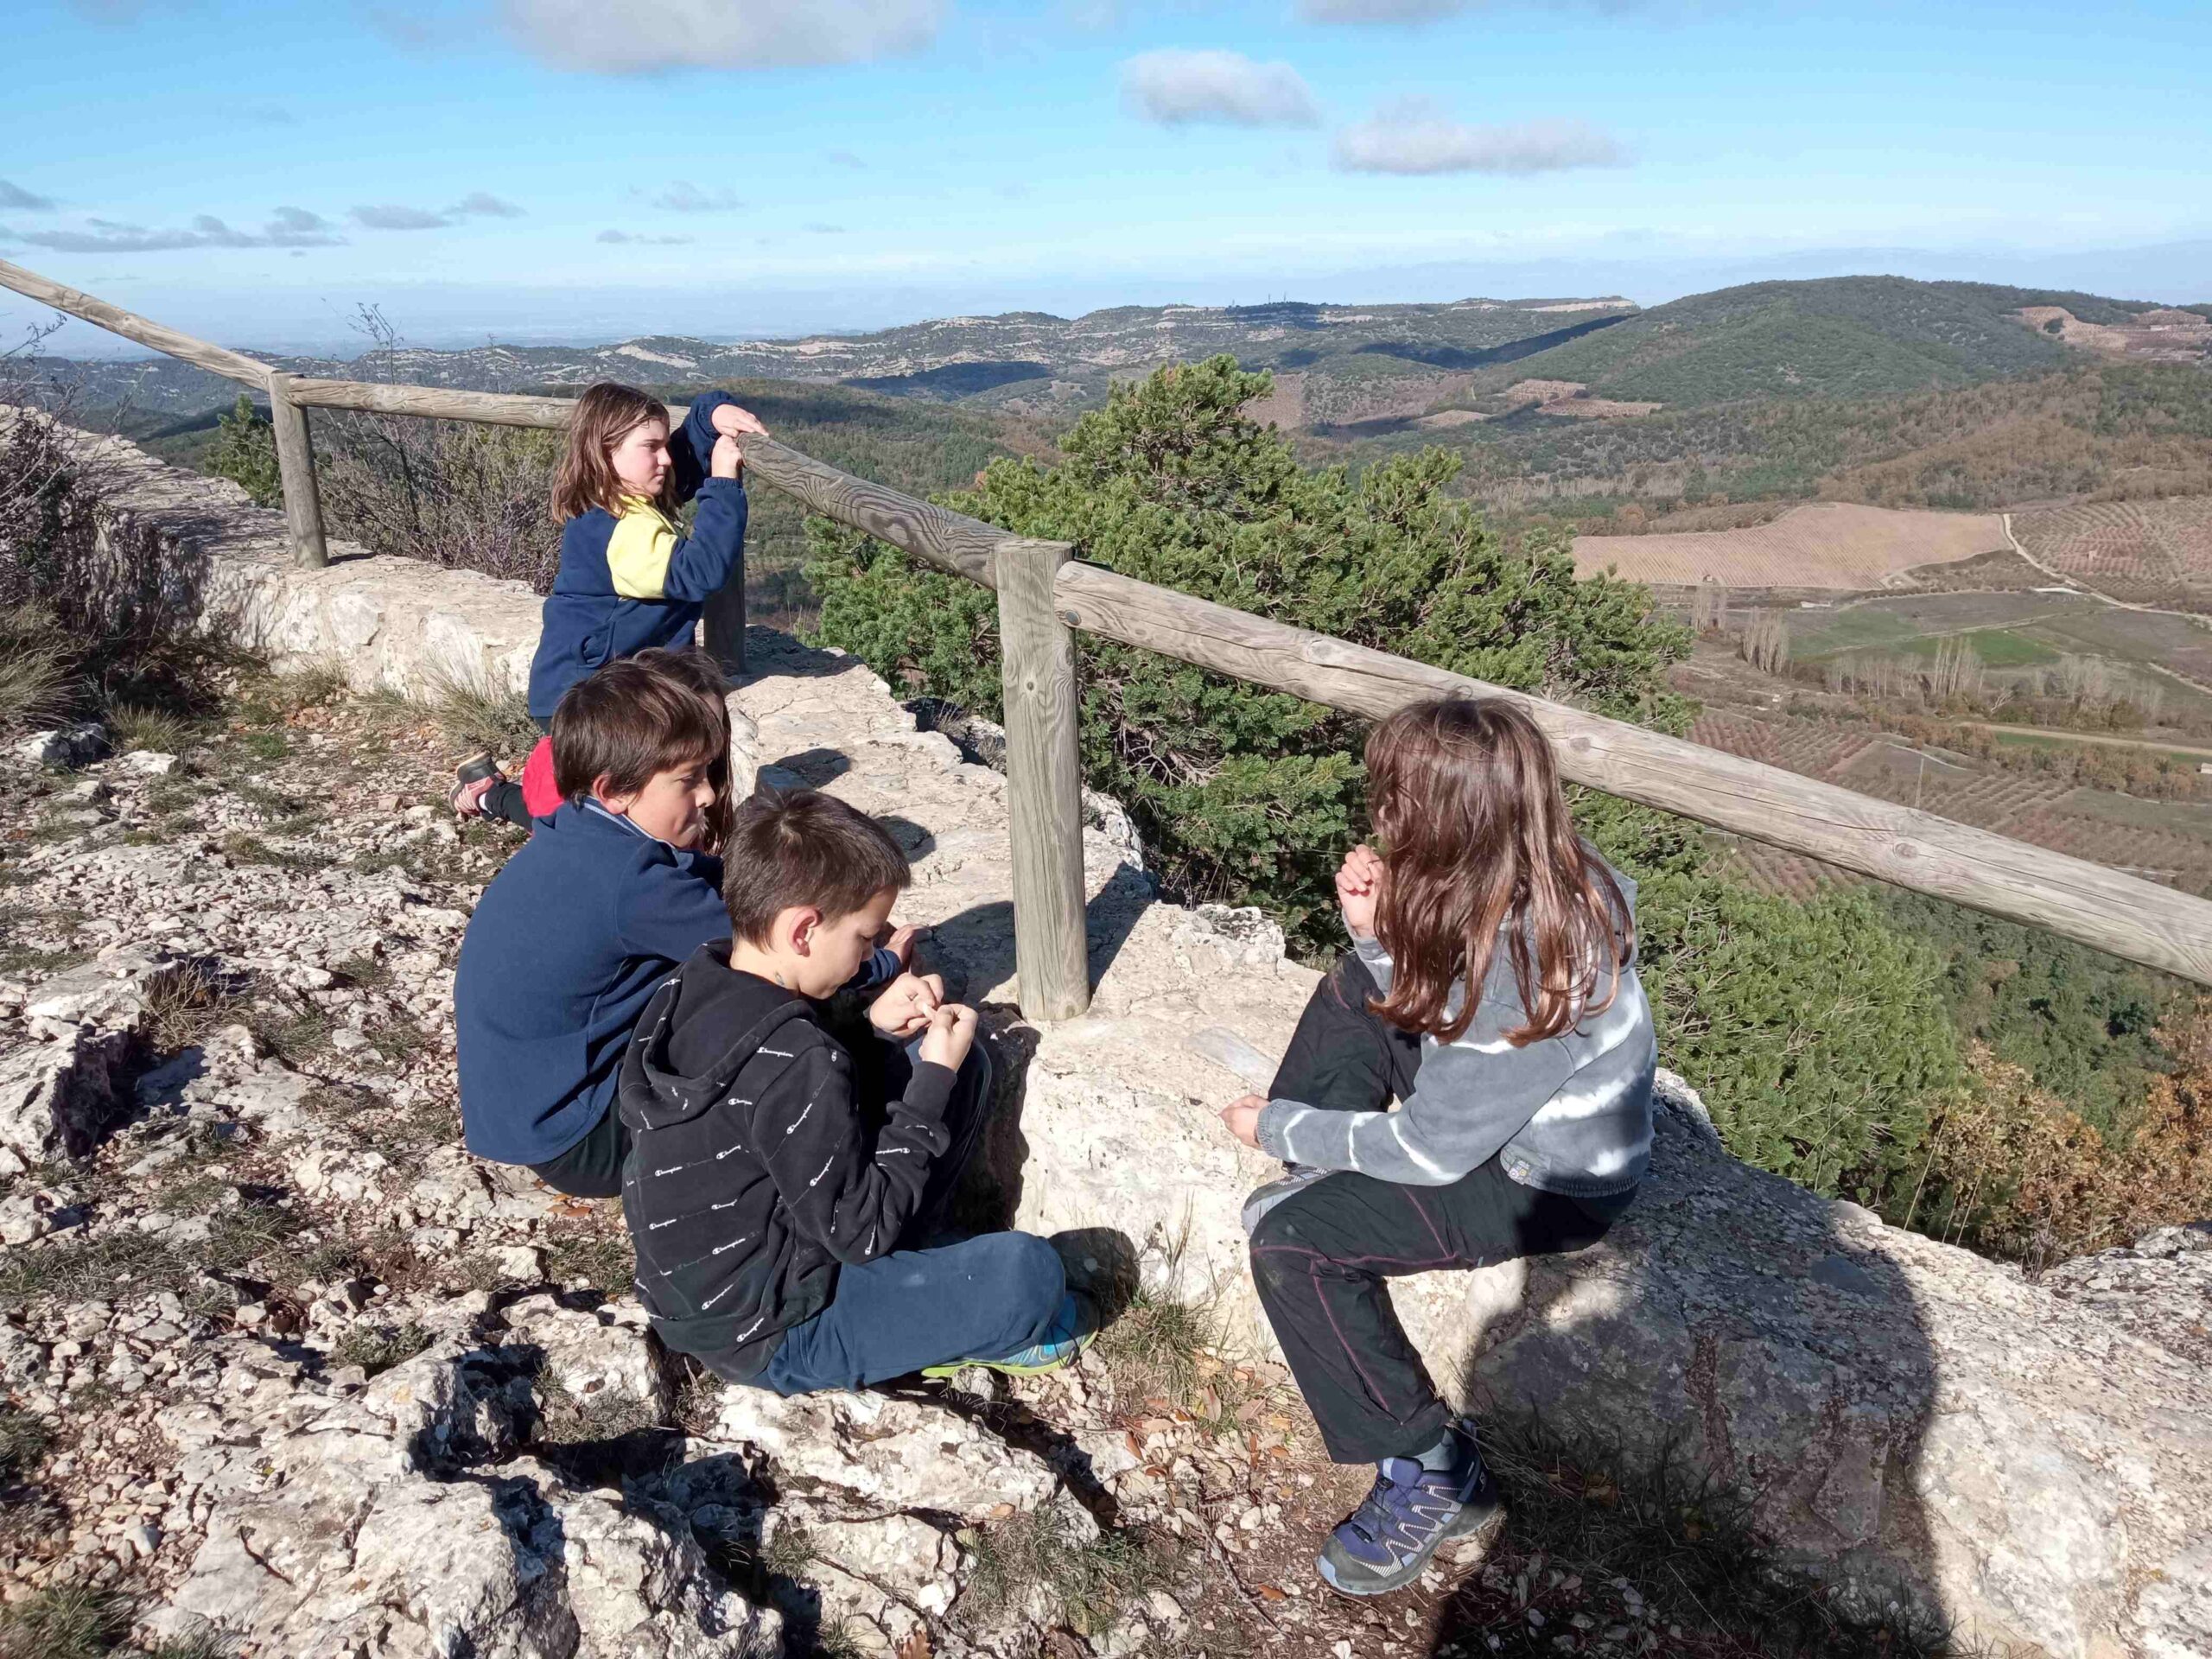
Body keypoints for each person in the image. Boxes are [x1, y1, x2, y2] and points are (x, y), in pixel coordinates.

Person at [1217, 697, 1656, 1598]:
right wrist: (1378, 942)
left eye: (1396, 797)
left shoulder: (1524, 962)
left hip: (1544, 1182)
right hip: (1498, 1125)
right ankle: (1328, 1181)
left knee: (1291, 1248)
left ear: (1446, 820)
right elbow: (1436, 1011)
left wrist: (1275, 1125)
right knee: (1357, 979)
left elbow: (1432, 1152)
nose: (1381, 813)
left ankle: (1432, 1471)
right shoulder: (1559, 871)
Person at [619, 786, 1093, 1393]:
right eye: (865, 939)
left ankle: (916, 1279)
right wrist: (931, 1081)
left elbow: (774, 1098)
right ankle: (940, 1322)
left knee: (959, 1067)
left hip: (705, 1286)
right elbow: (860, 1233)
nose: (870, 955)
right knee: (1027, 1276)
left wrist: (865, 1025)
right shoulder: (794, 1060)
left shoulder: (694, 980)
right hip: (776, 1328)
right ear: (804, 930)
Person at [454, 651, 913, 1197]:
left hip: (533, 1114)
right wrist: (875, 963)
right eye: (688, 779)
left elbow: (708, 877)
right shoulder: (633, 885)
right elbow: (769, 951)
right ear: (614, 790)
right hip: (585, 1137)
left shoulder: (582, 834)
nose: (709, 794)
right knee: (767, 1007)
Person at [454, 379, 766, 828]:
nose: (664, 459)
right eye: (651, 447)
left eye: (664, 444)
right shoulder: (623, 531)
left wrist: (711, 415)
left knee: (607, 806)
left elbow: (681, 452)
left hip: (601, 685)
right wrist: (723, 482)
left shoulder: (619, 498)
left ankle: (513, 789)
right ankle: (493, 797)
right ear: (606, 453)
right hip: (587, 696)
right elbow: (701, 570)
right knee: (586, 819)